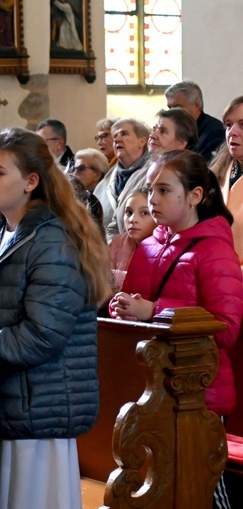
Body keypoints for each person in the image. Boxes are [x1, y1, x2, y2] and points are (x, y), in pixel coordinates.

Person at [0, 127, 111, 509]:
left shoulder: (54, 241)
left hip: (39, 410)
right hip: (1, 401)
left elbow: (40, 337)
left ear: (30, 181)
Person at [110, 150, 242, 509]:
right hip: (149, 385)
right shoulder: (150, 246)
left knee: (198, 489)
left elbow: (226, 328)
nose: (152, 199)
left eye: (164, 191)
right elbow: (135, 305)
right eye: (150, 190)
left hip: (198, 394)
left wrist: (153, 311)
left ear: (195, 196)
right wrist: (120, 309)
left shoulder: (214, 250)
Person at [107, 110, 197, 240]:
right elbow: (115, 222)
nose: (153, 135)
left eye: (163, 131)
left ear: (182, 143)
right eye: (154, 129)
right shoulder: (137, 174)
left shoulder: (187, 179)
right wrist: (117, 249)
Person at [99, 118, 150, 242]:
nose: (117, 139)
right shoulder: (108, 176)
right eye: (115, 136)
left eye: (124, 134)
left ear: (142, 141)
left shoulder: (153, 174)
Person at [211, 95, 243, 263]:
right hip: (217, 270)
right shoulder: (219, 171)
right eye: (228, 125)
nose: (232, 132)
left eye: (242, 125)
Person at [108, 188, 156, 291]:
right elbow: (102, 280)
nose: (133, 219)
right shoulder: (117, 242)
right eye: (129, 213)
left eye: (144, 213)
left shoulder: (163, 248)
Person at [165, 80, 225, 162]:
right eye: (170, 107)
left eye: (177, 107)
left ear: (196, 105)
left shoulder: (216, 131)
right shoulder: (174, 130)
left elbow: (205, 167)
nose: (172, 112)